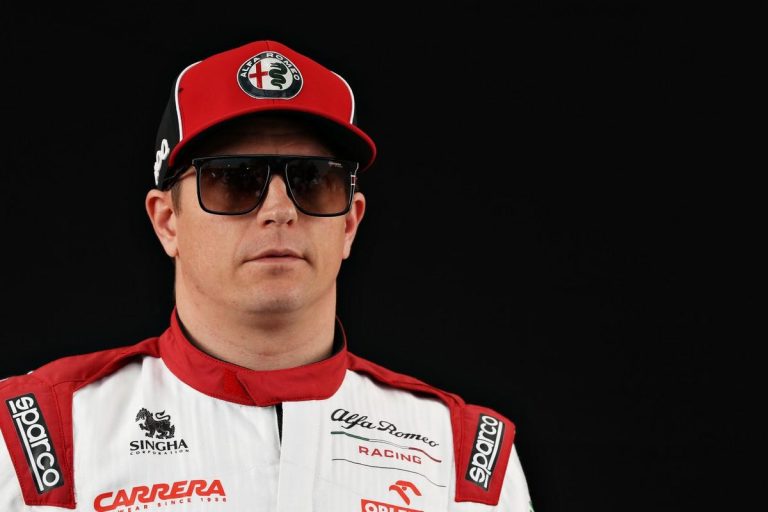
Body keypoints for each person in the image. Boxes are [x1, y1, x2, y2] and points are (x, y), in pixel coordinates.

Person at [0, 39, 533, 511]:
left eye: (314, 180)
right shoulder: (35, 433)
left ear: (349, 224)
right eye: (233, 179)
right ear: (167, 222)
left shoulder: (464, 458)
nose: (279, 210)